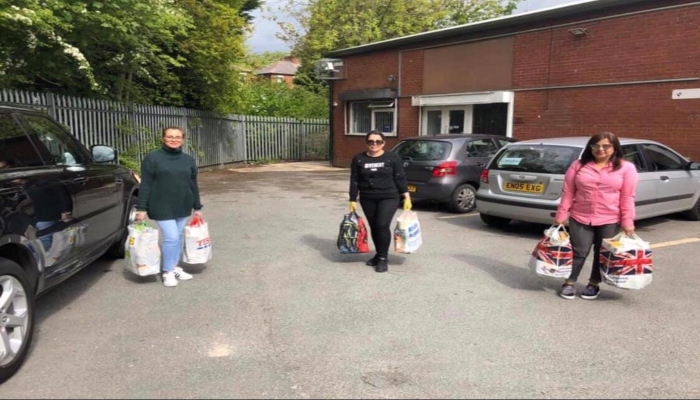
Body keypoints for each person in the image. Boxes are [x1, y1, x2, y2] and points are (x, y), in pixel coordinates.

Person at [554, 132, 638, 300]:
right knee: (579, 251)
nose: (600, 149)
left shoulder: (626, 168)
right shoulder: (578, 166)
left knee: (602, 253)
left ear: (614, 148)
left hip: (610, 218)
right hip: (580, 216)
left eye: (606, 146)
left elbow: (627, 197)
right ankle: (569, 282)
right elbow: (569, 192)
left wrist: (627, 221)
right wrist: (561, 213)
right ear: (590, 148)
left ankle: (593, 284)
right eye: (596, 146)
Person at [135, 126, 203, 287]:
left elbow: (193, 184)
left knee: (178, 237)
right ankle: (167, 271)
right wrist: (141, 208)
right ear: (163, 138)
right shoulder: (152, 158)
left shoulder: (188, 160)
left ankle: (175, 267)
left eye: (177, 137)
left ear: (183, 139)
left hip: (182, 203)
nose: (174, 139)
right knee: (172, 237)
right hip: (160, 204)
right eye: (170, 136)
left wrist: (197, 207)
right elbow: (146, 184)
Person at [349, 130, 411, 273]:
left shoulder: (392, 158)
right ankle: (378, 254)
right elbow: (354, 180)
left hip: (389, 196)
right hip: (367, 197)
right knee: (374, 227)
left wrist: (406, 195)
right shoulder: (359, 159)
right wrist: (352, 198)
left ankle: (383, 258)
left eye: (378, 141)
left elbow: (399, 176)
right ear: (366, 143)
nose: (374, 144)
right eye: (371, 141)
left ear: (383, 143)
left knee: (382, 225)